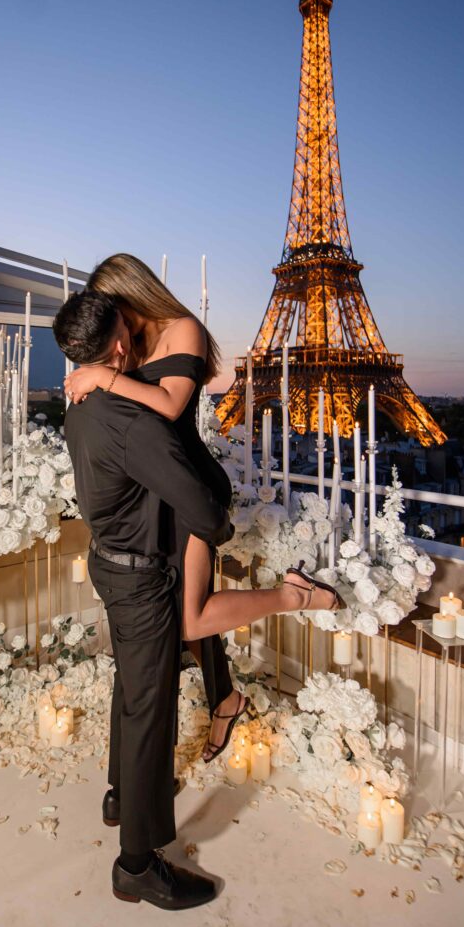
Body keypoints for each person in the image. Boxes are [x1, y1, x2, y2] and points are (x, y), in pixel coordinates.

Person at [64, 254, 342, 762]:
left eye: (112, 307)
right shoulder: (130, 342)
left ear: (131, 292)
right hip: (157, 494)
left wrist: (100, 378)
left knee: (188, 621)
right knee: (174, 614)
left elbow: (169, 406)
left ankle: (292, 597)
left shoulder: (182, 329)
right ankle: (224, 699)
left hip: (190, 490)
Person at [54, 290, 232, 910]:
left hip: (108, 563)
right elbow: (205, 509)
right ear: (122, 346)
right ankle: (137, 863)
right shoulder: (133, 423)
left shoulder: (77, 403)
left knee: (131, 691)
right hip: (143, 580)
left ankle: (118, 796)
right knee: (151, 711)